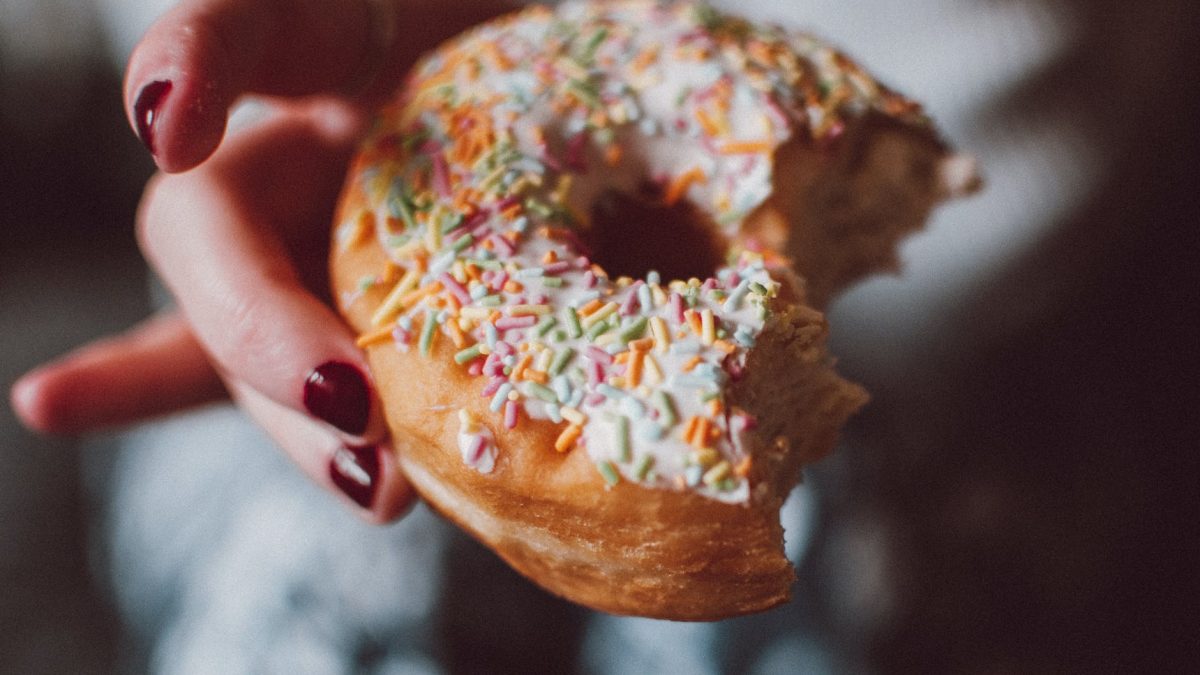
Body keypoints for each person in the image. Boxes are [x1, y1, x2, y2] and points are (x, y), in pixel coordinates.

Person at [11, 0, 1195, 671]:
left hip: (985, 372)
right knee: (311, 608)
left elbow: (1045, 99)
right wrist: (311, 81)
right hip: (350, 296)